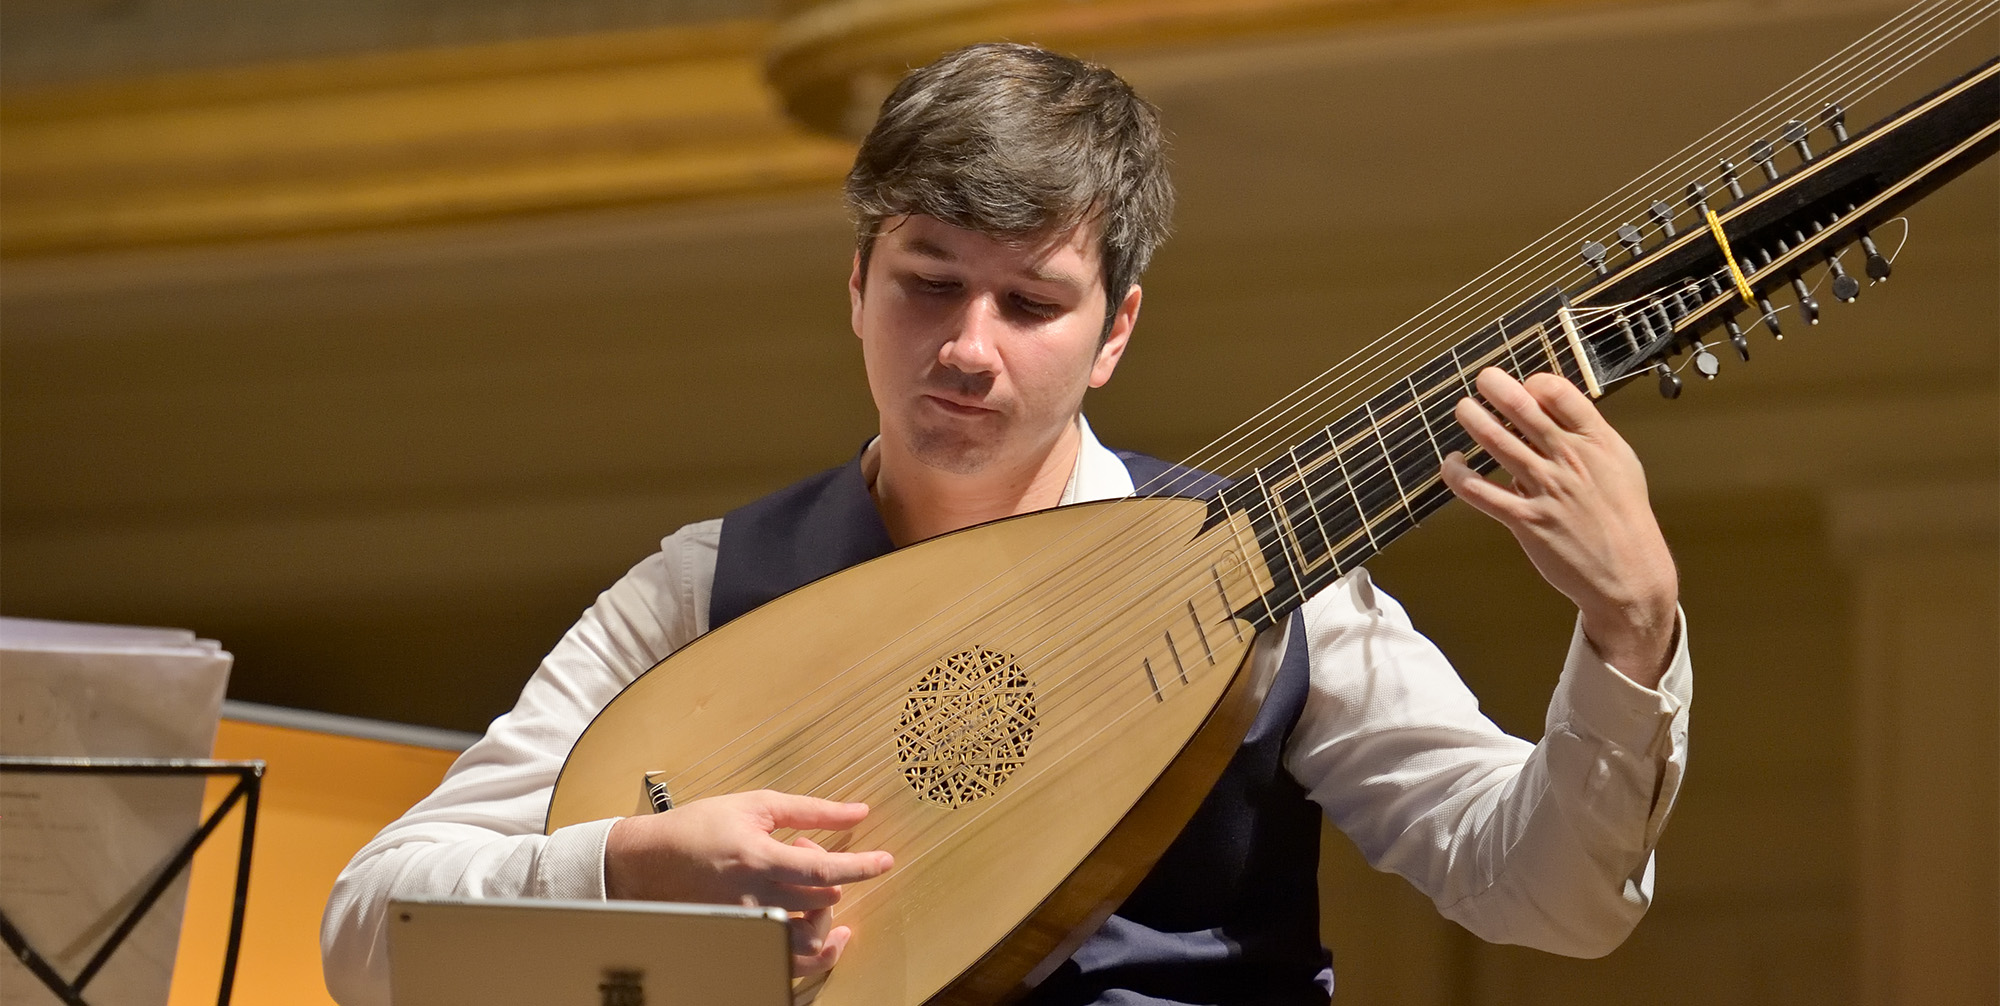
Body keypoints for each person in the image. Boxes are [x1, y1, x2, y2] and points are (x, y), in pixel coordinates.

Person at [322, 42, 1688, 1005]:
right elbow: (369, 927)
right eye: (928, 283)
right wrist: (631, 864)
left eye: (1032, 303)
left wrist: (1630, 630)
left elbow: (1545, 899)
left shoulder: (1269, 582)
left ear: (1115, 332)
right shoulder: (704, 588)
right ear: (856, 285)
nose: (969, 349)